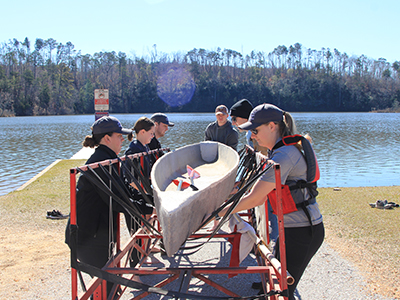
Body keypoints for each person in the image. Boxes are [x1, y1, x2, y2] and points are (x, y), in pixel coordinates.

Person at [216, 104, 324, 300]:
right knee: (278, 283)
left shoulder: (284, 155)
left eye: (255, 130)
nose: (253, 136)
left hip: (303, 231)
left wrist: (220, 212)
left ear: (272, 126)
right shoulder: (278, 152)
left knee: (283, 290)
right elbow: (254, 187)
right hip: (295, 229)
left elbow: (257, 198)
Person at [65, 116, 135, 297]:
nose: (122, 140)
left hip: (95, 235)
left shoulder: (107, 160)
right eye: (119, 136)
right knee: (107, 290)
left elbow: (124, 193)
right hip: (87, 238)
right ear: (107, 138)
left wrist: (148, 204)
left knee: (109, 289)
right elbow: (119, 200)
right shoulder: (100, 164)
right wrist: (149, 210)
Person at [230, 99, 278, 247]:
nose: (233, 123)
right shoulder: (248, 135)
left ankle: (272, 248)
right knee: (259, 212)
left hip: (269, 183)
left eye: (234, 119)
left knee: (271, 214)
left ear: (245, 118)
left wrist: (244, 185)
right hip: (261, 180)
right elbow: (254, 164)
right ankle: (262, 242)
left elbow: (262, 164)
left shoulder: (257, 135)